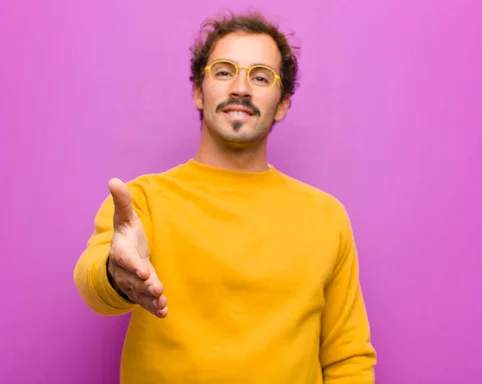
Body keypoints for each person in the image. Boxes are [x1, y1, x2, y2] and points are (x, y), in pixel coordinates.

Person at [74, 10, 377, 384]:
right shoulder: (141, 201)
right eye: (223, 71)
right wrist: (116, 275)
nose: (241, 88)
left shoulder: (326, 216)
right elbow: (93, 282)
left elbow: (349, 358)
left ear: (282, 103)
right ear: (198, 91)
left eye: (261, 77)